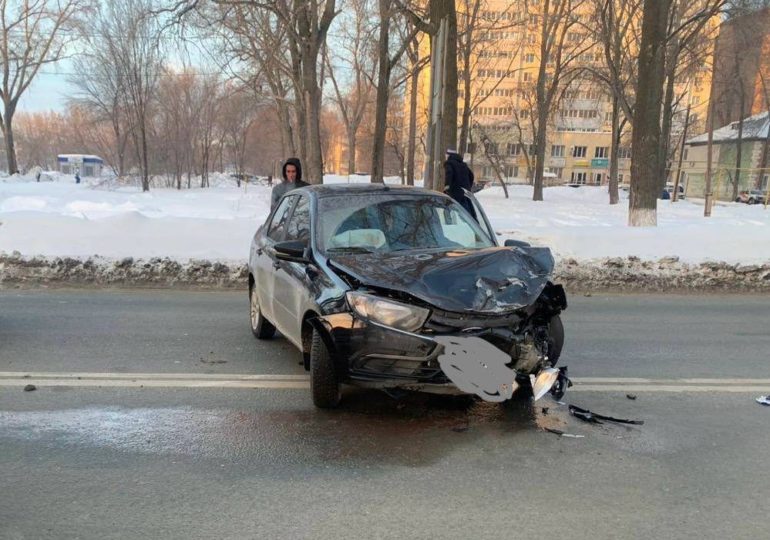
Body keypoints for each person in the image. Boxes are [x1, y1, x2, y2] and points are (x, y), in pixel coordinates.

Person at [444, 148, 477, 220]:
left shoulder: (449, 163)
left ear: (449, 155)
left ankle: (449, 221)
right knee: (467, 209)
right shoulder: (463, 165)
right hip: (464, 191)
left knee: (448, 207)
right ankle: (473, 223)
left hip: (455, 191)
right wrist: (468, 186)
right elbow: (471, 175)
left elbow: (449, 174)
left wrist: (447, 187)